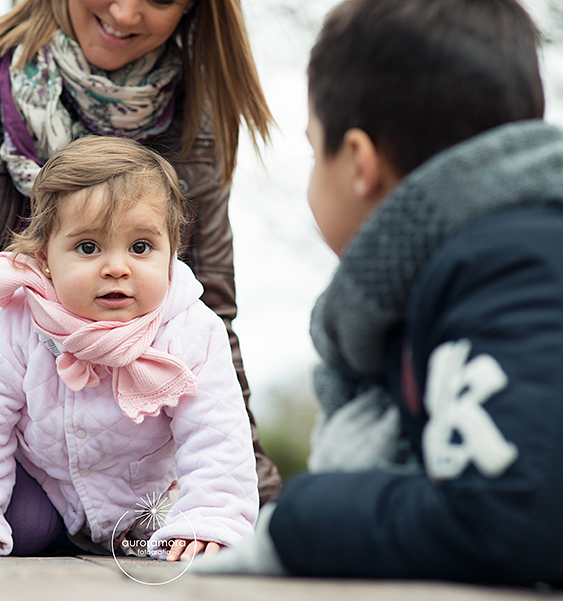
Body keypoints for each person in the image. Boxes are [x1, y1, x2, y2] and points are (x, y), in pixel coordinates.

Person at [0, 0, 280, 554]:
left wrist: (243, 509)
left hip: (132, 504)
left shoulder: (196, 124)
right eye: (88, 245)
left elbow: (207, 343)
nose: (125, 11)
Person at [196, 0, 563, 585]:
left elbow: (511, 516)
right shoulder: (492, 259)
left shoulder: (511, 266)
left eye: (317, 151)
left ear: (360, 164)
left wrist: (301, 519)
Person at [0, 136, 258, 559]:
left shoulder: (191, 330)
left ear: (172, 253)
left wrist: (212, 518)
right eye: (88, 247)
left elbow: (216, 435)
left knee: (173, 538)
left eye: (140, 247)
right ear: (44, 257)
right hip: (46, 484)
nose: (116, 267)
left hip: (142, 495)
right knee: (19, 529)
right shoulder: (17, 323)